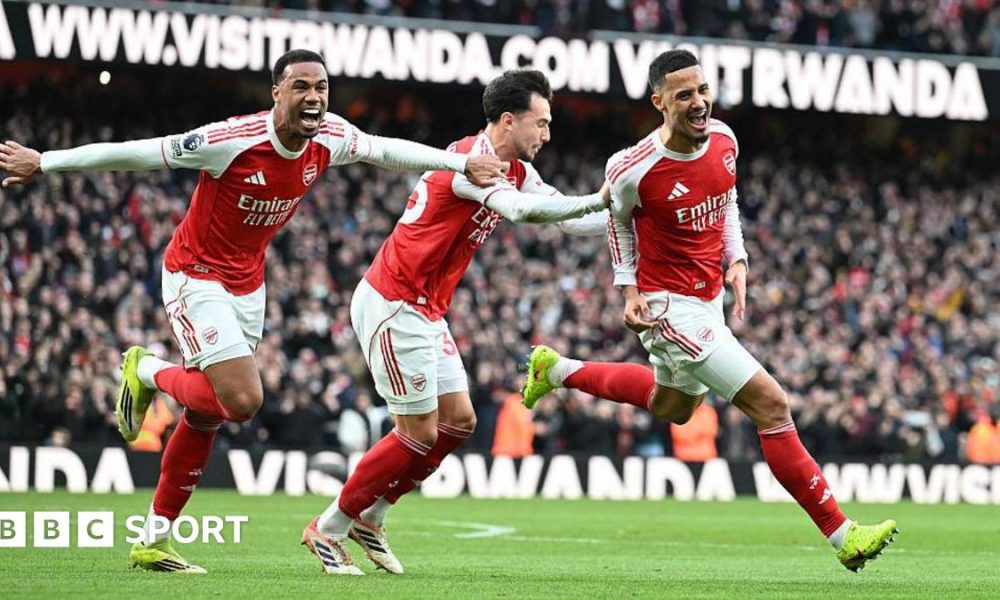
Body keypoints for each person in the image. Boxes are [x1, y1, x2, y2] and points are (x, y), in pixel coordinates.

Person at [0, 48, 505, 574]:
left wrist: (458, 161)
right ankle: (145, 368)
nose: (314, 97)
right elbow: (140, 152)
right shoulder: (231, 140)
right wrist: (46, 162)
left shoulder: (329, 136)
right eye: (301, 87)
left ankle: (154, 538)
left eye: (322, 88)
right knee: (241, 400)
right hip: (196, 275)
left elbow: (385, 150)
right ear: (276, 94)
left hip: (248, 285)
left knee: (207, 412)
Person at [520, 49, 898, 572]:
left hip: (708, 300)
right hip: (668, 308)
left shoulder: (724, 139)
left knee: (673, 407)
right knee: (772, 405)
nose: (699, 103)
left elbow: (728, 201)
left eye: (702, 91)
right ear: (659, 103)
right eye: (684, 96)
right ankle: (842, 534)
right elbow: (618, 223)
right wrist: (628, 290)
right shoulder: (632, 168)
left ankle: (555, 369)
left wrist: (736, 258)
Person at [301, 69, 609, 576]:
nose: (547, 135)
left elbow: (570, 219)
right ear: (508, 121)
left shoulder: (513, 168)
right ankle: (329, 527)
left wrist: (626, 208)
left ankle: (372, 517)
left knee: (458, 422)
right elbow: (525, 213)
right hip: (394, 302)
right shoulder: (473, 165)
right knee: (417, 430)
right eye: (541, 123)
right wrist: (604, 198)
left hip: (426, 309)